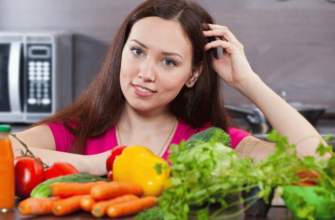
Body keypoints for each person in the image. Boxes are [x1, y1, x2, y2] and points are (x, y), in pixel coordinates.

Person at [10, 0, 330, 176]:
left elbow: (319, 162)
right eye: (137, 51)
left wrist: (248, 82)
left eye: (168, 62)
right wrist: (98, 163)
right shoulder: (76, 131)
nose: (145, 73)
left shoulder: (213, 145)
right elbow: (3, 152)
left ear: (192, 75)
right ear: (120, 53)